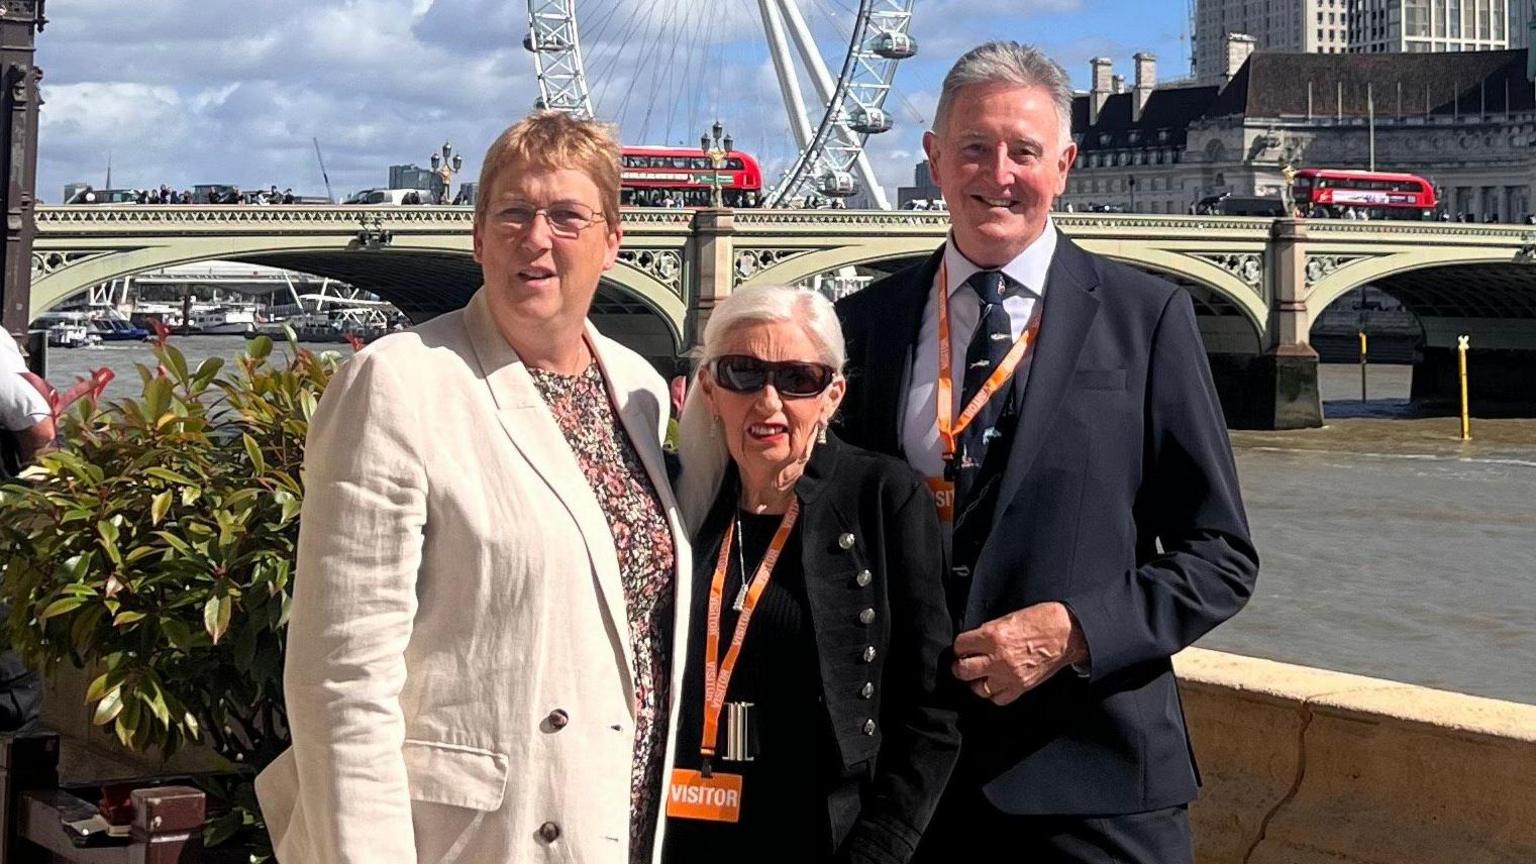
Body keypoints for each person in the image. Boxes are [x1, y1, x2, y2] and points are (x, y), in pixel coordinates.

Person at [834, 41, 1258, 864]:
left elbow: (1222, 556)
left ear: (1063, 165)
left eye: (1024, 151)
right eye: (974, 147)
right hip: (905, 789)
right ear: (934, 158)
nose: (999, 173)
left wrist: (1076, 632)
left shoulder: (1149, 319)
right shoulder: (866, 327)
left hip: (1094, 780)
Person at [255, 111, 692, 864]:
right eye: (514, 213)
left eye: (567, 216)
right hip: (478, 835)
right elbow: (341, 680)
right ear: (478, 237)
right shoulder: (398, 382)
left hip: (614, 815)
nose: (537, 237)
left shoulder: (639, 387)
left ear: (613, 241)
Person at [664, 285, 958, 864]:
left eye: (799, 379)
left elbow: (932, 708)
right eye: (743, 372)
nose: (769, 403)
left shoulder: (882, 497)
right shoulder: (679, 501)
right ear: (709, 387)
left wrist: (878, 850)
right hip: (686, 831)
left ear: (832, 395)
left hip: (824, 835)